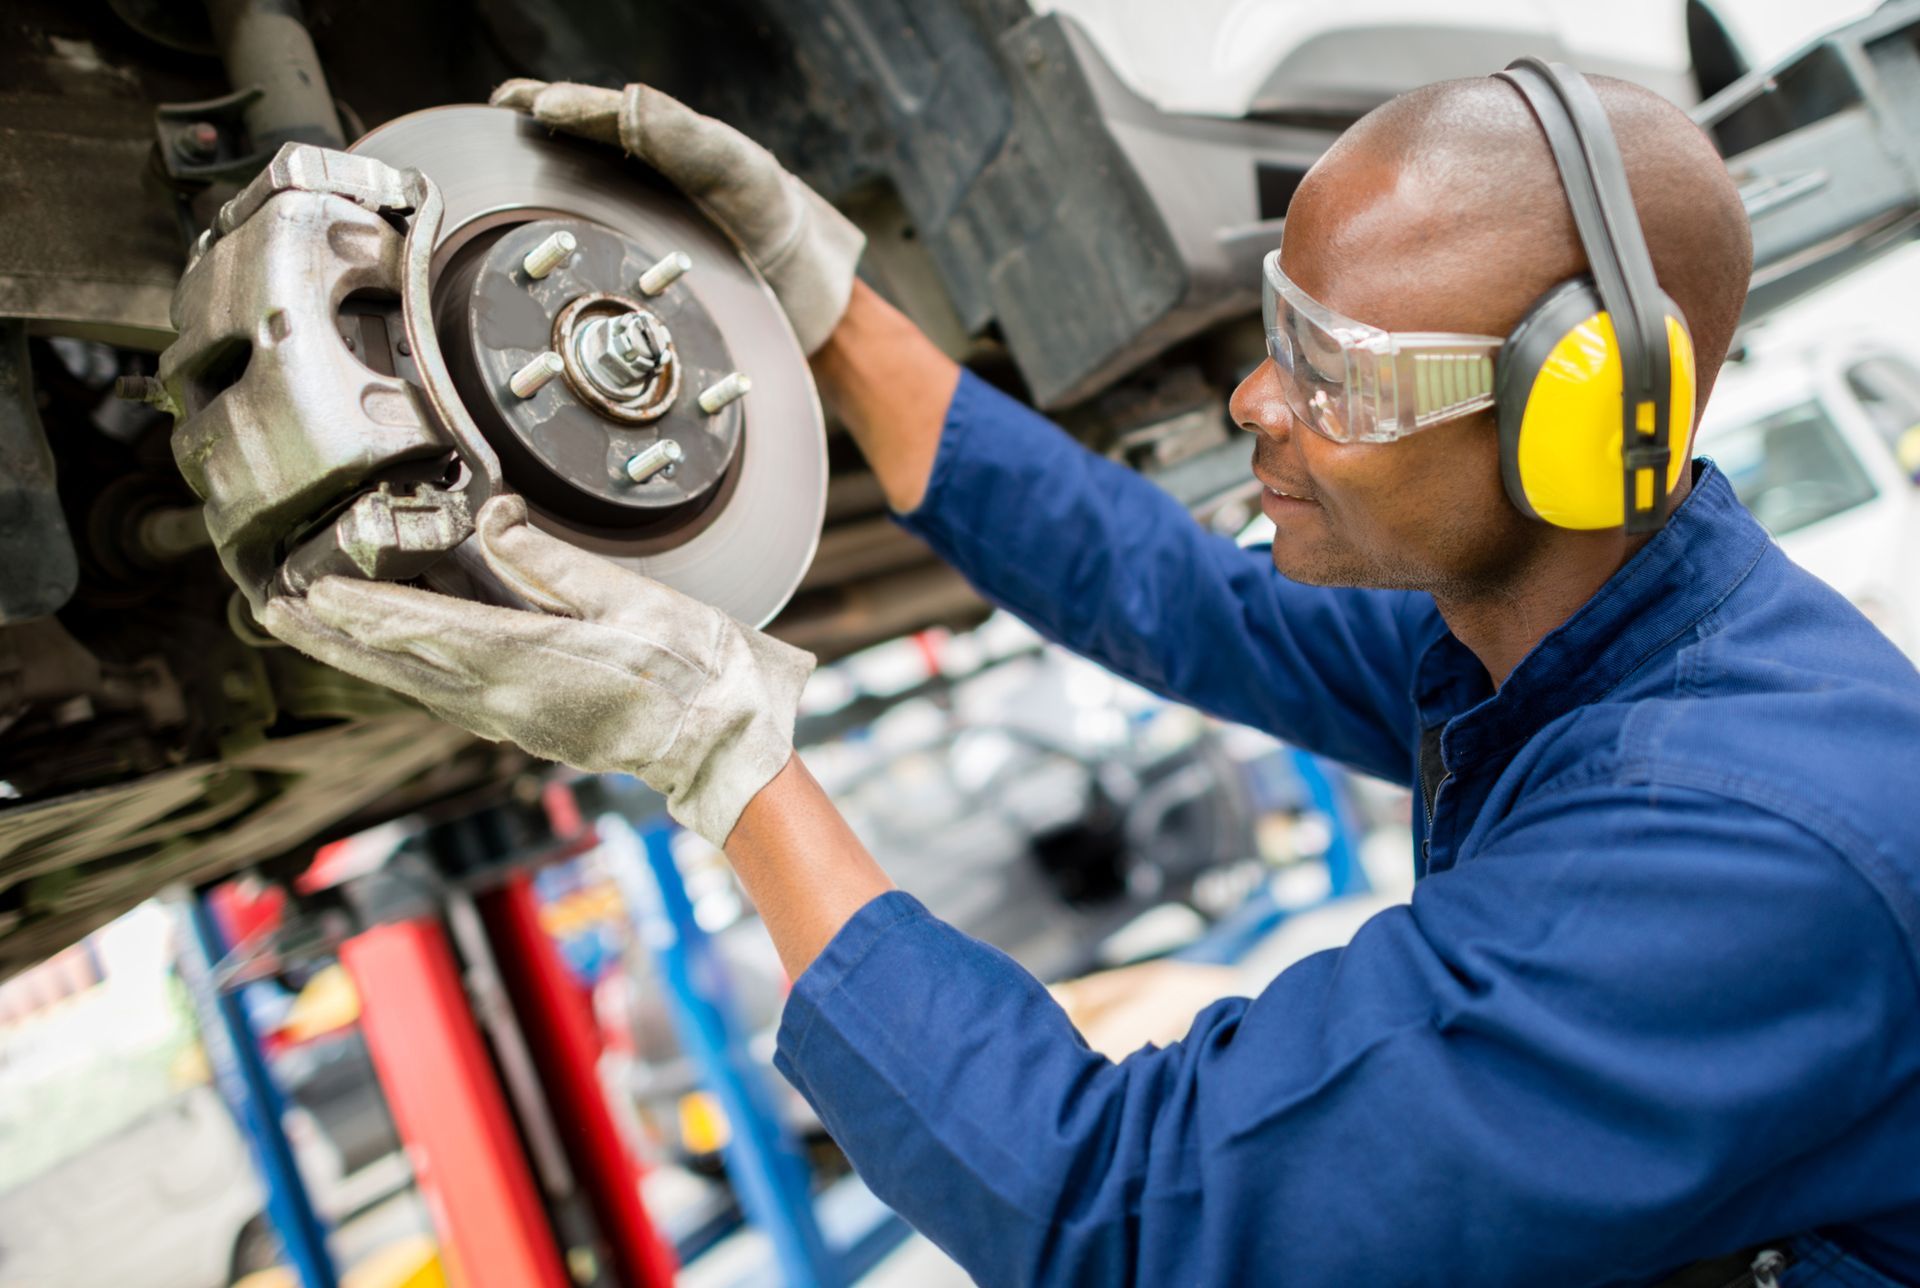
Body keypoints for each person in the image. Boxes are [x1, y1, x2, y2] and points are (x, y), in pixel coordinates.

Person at [263, 65, 1920, 1287]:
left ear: (1578, 430)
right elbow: (1179, 596)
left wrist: (715, 750)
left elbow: (1128, 1214)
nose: (1259, 406)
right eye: (1282, 327)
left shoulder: (1743, 855)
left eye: (1335, 377)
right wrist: (822, 288)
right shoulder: (1569, 635)